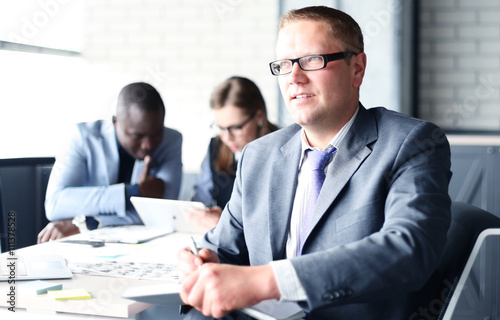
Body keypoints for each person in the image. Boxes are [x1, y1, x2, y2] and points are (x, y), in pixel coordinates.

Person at [177, 6, 452, 320]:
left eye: (312, 60)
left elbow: (409, 250)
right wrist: (200, 259)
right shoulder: (259, 154)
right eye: (283, 64)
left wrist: (270, 280)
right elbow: (223, 248)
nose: (294, 77)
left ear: (357, 69)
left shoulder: (411, 142)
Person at [37, 82, 183, 243]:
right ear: (115, 122)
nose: (147, 144)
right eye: (137, 135)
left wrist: (91, 222)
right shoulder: (82, 137)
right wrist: (132, 192)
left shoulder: (171, 140)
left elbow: (165, 216)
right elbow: (55, 204)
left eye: (156, 134)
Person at [189, 76, 278, 232]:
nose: (227, 138)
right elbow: (201, 198)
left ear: (258, 115)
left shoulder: (284, 149)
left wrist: (225, 223)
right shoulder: (215, 147)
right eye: (220, 128)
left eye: (236, 127)